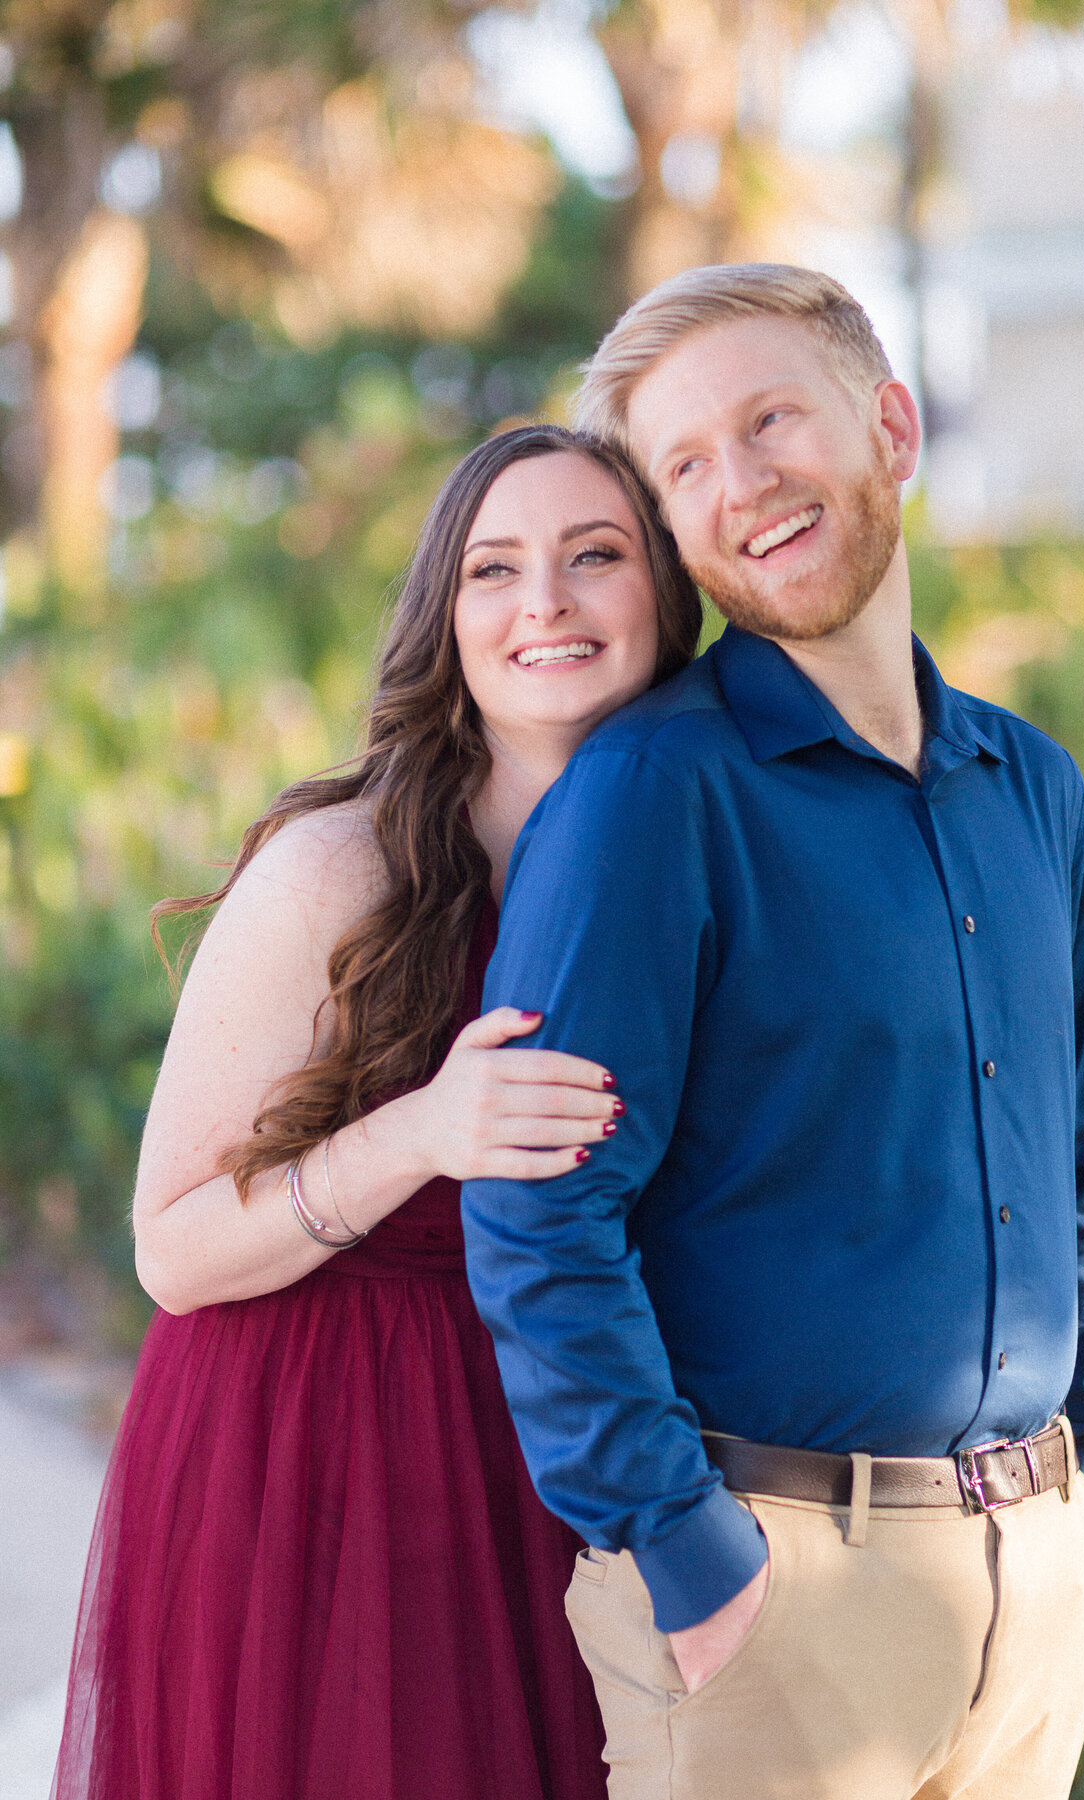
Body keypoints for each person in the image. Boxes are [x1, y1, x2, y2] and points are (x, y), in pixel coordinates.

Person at [461, 266, 1084, 1800]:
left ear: (891, 428)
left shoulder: (1033, 785)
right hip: (772, 1604)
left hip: (1036, 1585)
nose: (743, 484)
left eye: (773, 419)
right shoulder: (653, 798)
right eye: (687, 466)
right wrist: (687, 1553)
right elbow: (537, 1206)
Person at [51, 424, 702, 1800]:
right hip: (317, 1446)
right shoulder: (338, 867)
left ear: (667, 598)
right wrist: (418, 1133)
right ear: (444, 618)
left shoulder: (695, 867)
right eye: (495, 568)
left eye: (598, 556)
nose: (549, 604)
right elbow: (170, 1248)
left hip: (553, 1441)